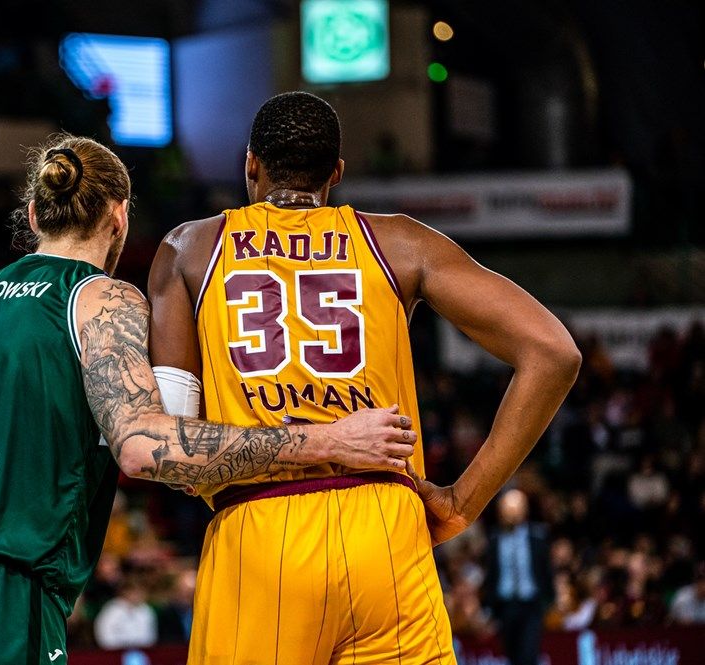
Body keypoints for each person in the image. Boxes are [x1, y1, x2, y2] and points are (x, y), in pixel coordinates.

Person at [0, 134, 419, 665]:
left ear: (33, 216)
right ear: (119, 216)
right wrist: (331, 439)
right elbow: (143, 447)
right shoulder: (97, 296)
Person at [148, 91, 581, 664]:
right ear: (338, 173)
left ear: (250, 163)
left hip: (261, 529)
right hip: (385, 527)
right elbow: (554, 352)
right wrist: (461, 503)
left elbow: (175, 446)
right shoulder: (401, 242)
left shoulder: (189, 248)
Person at [483, 490, 553, 665]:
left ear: (525, 510)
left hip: (531, 605)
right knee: (511, 655)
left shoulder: (537, 537)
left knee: (528, 655)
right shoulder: (494, 540)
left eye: (516, 508)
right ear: (500, 512)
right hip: (505, 607)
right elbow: (491, 574)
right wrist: (489, 607)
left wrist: (548, 601)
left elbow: (546, 571)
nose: (512, 513)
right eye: (507, 509)